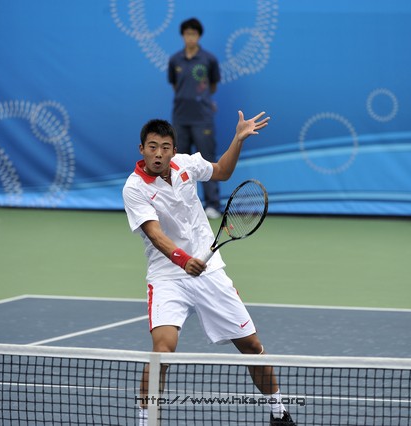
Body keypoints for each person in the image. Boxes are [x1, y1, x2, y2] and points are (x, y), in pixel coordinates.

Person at [123, 111, 296, 426]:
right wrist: (182, 259)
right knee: (162, 352)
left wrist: (238, 139)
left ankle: (279, 412)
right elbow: (155, 234)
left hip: (210, 272)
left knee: (252, 346)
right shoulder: (134, 188)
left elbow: (222, 172)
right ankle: (145, 422)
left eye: (164, 147)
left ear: (174, 150)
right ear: (142, 149)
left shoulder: (187, 165)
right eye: (152, 147)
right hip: (167, 277)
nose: (158, 153)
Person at [168, 17, 222, 219]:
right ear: (182, 35)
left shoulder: (209, 60)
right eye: (187, 33)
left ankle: (213, 205)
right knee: (179, 163)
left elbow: (212, 86)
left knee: (207, 161)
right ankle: (181, 205)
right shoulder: (175, 60)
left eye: (194, 34)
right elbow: (176, 86)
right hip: (180, 119)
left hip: (203, 118)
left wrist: (202, 99)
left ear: (199, 36)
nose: (190, 37)